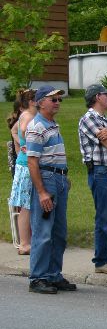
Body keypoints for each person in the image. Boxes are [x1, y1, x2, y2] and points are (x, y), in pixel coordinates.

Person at [26, 85, 76, 294]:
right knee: (43, 232)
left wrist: (64, 177)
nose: (57, 103)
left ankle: (53, 275)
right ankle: (38, 278)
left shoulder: (52, 125)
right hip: (46, 180)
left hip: (58, 179)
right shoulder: (36, 127)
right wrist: (42, 192)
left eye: (59, 100)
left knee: (59, 232)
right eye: (53, 99)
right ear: (40, 102)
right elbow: (32, 162)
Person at [78, 83, 107, 275]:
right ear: (97, 97)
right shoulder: (89, 119)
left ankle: (106, 259)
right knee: (104, 217)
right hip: (100, 172)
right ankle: (102, 261)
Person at [8, 88, 37, 255]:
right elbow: (24, 128)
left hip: (24, 164)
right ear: (32, 101)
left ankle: (27, 241)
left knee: (27, 205)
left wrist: (20, 146)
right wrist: (28, 145)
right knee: (26, 206)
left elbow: (14, 130)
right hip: (26, 167)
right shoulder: (27, 116)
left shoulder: (25, 115)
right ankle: (25, 244)